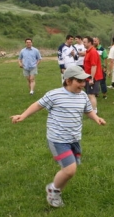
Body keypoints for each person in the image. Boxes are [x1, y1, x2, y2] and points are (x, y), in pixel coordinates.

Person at [11, 66, 106, 207]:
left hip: (74, 138)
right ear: (68, 81)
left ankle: (56, 190)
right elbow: (37, 105)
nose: (83, 84)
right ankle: (53, 190)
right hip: (58, 139)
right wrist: (23, 115)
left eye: (83, 81)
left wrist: (96, 118)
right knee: (70, 169)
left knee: (69, 171)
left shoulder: (83, 96)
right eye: (79, 81)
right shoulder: (55, 95)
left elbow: (88, 111)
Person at [83, 36, 103, 114]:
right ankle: (91, 110)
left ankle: (94, 112)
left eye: (85, 42)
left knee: (91, 95)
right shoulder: (88, 51)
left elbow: (94, 66)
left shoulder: (93, 52)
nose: (83, 44)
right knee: (89, 94)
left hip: (93, 77)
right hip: (87, 76)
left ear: (90, 43)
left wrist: (92, 78)